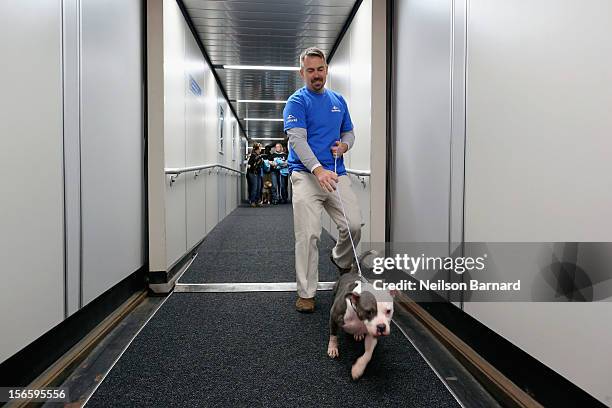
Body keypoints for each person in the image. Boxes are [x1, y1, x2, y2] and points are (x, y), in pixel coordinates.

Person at [283, 47, 362, 313]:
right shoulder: (297, 101)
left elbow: (349, 132)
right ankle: (306, 293)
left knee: (353, 226)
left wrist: (345, 147)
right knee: (308, 234)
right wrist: (317, 170)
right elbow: (297, 140)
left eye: (320, 69)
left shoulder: (338, 100)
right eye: (310, 71)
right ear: (301, 72)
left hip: (336, 174)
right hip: (306, 175)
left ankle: (340, 259)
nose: (316, 75)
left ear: (326, 69)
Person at [246, 143, 264, 207]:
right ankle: (252, 201)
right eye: (260, 147)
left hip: (258, 173)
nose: (261, 149)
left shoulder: (259, 155)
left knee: (259, 188)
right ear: (257, 148)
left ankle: (257, 201)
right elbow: (250, 165)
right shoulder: (253, 155)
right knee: (254, 187)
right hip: (252, 173)